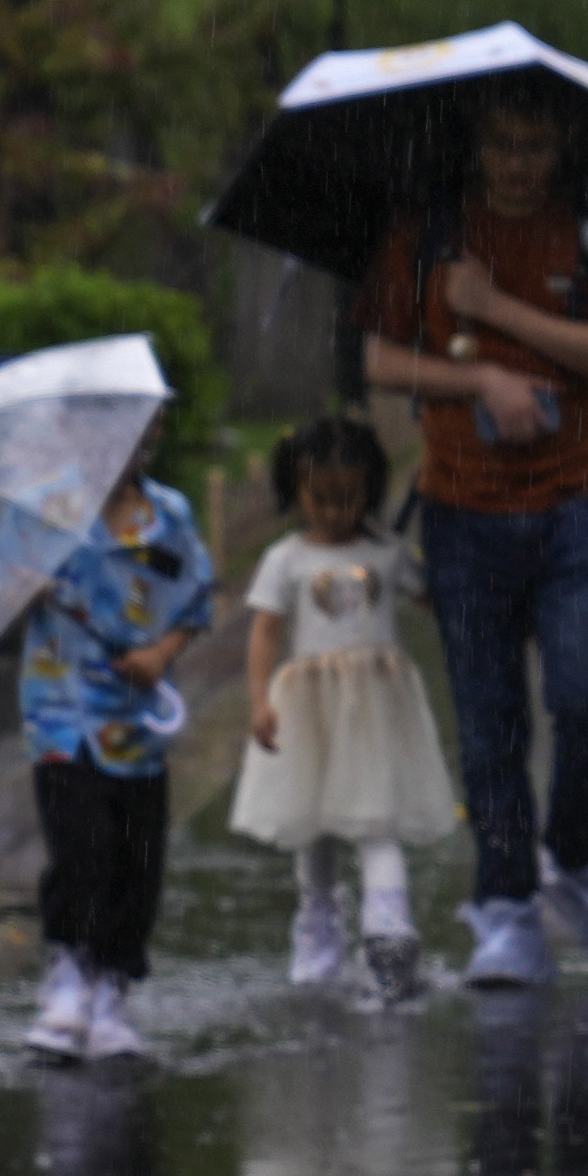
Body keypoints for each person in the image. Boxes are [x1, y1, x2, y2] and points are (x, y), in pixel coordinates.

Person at [362, 76, 588, 987]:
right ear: (476, 147)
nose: (519, 165)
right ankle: (503, 909)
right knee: (490, 724)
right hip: (463, 506)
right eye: (502, 145)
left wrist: (493, 314)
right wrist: (480, 384)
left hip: (573, 500)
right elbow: (378, 359)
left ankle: (577, 862)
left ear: (561, 147)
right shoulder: (428, 234)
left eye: (536, 146)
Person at [230, 413, 451, 1006]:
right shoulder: (286, 559)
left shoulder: (386, 550)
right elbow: (265, 632)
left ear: (371, 491)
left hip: (378, 711)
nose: (333, 511)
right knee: (315, 824)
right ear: (296, 492)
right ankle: (319, 924)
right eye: (320, 499)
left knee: (377, 819)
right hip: (311, 710)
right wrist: (259, 702)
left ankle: (389, 929)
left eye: (349, 499)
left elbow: (433, 596)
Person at [17, 419, 214, 1068]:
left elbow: (194, 598)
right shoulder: (45, 511)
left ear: (153, 434)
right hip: (60, 712)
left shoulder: (170, 516)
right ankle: (68, 970)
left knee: (136, 855)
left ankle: (112, 984)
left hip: (132, 721)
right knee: (80, 842)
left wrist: (160, 652)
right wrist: (26, 588)